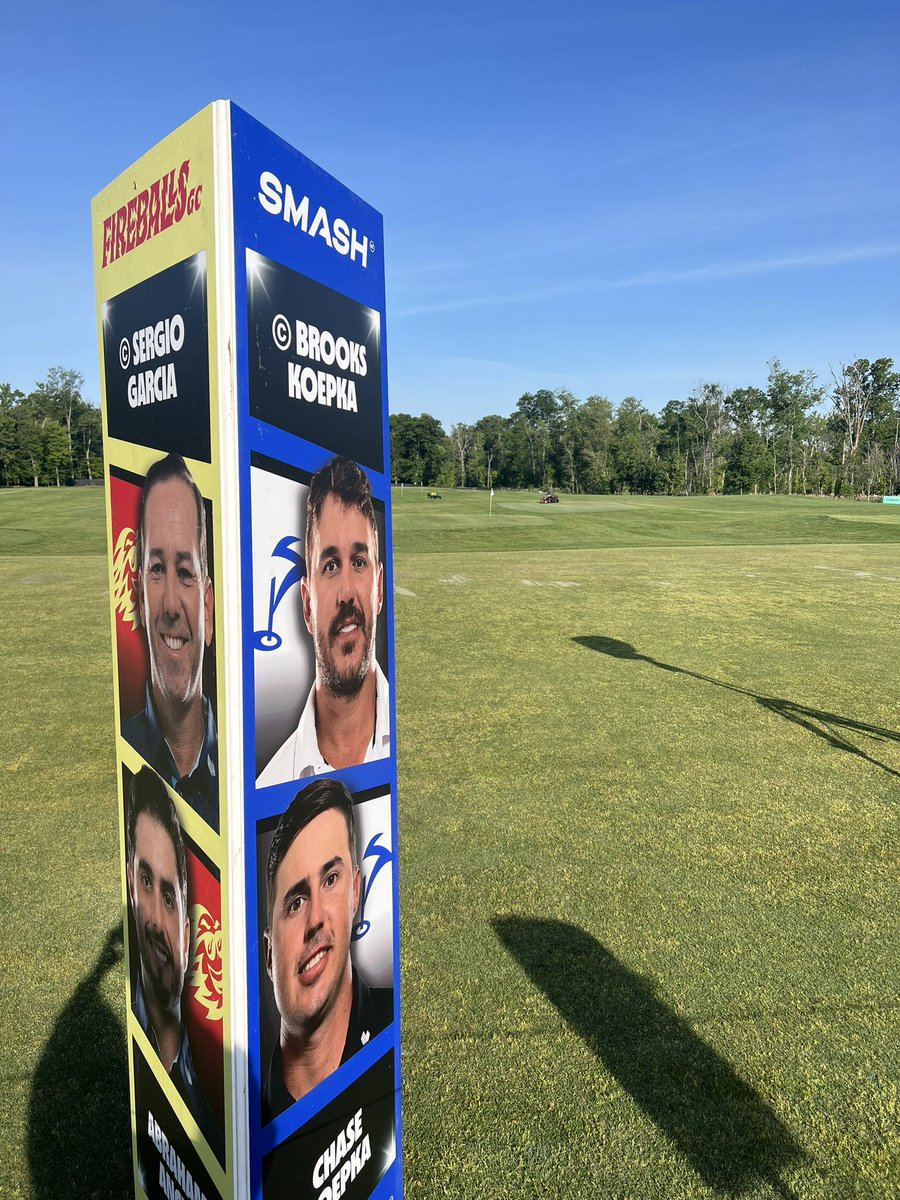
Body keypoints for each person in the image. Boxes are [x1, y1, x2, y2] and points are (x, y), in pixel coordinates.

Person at [262, 779, 392, 1121]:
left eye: (331, 879)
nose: (315, 919)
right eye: (295, 902)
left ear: (355, 893)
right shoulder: (247, 1114)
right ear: (269, 955)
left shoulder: (391, 1026)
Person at [257, 456, 389, 785]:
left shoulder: (415, 750)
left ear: (380, 589)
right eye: (330, 565)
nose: (346, 592)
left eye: (359, 562)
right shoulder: (272, 783)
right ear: (307, 606)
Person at [125, 767, 224, 1162]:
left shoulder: (210, 1125)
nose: (153, 920)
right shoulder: (135, 1032)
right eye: (146, 881)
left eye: (168, 897)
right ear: (131, 887)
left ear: (188, 933)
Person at [123, 452, 218, 831]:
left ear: (208, 610)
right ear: (140, 599)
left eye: (185, 571)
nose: (172, 606)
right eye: (157, 569)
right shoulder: (131, 749)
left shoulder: (242, 762)